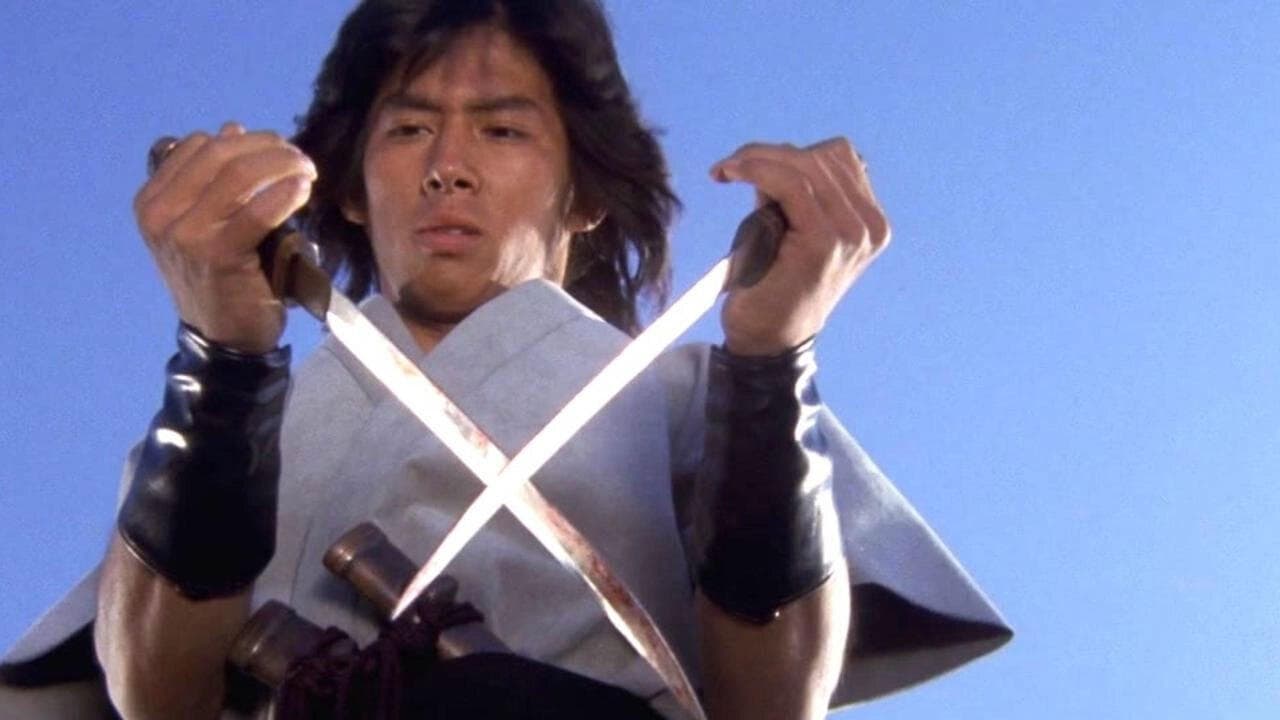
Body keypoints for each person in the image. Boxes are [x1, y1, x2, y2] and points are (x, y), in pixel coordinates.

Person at [0, 1, 1010, 718]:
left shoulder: (695, 393)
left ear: (584, 193)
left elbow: (772, 703)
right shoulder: (230, 417)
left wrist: (772, 364)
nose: (448, 164)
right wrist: (220, 363)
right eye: (408, 128)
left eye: (502, 128)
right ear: (348, 187)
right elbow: (156, 695)